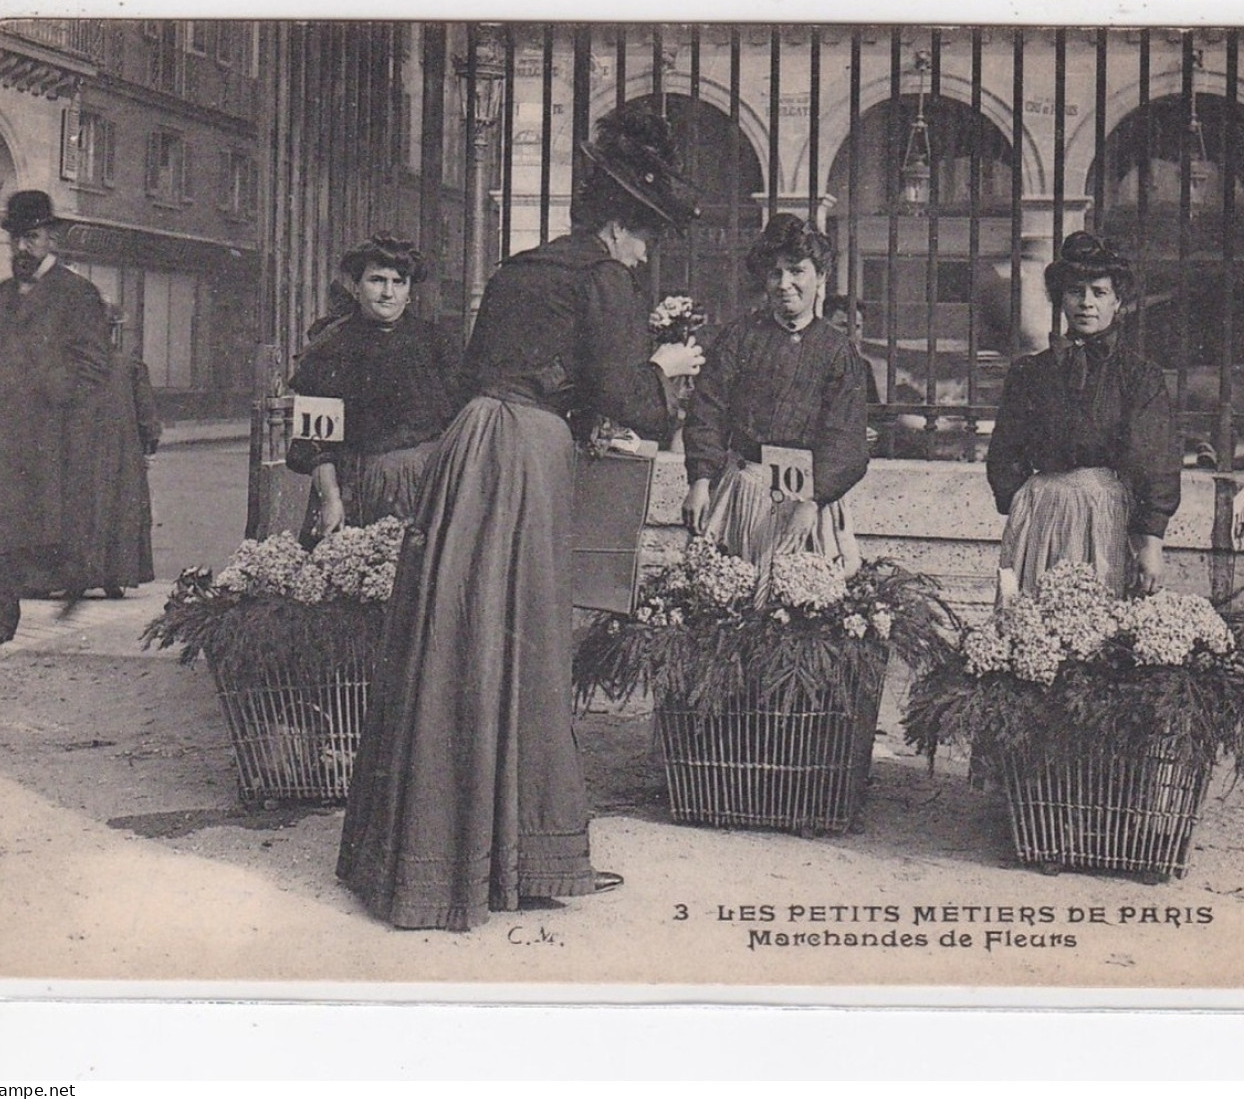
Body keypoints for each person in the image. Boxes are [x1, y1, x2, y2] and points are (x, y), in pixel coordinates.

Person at [337, 107, 706, 932]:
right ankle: (514, 853)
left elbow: (478, 370)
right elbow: (629, 399)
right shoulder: (604, 278)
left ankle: (418, 849)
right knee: (523, 641)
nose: (646, 252)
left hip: (469, 446)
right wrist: (664, 366)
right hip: (527, 455)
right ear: (620, 225)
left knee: (451, 635)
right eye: (646, 236)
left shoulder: (515, 270)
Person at [983, 230, 1180, 598]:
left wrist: (1150, 541)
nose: (1086, 303)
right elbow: (1005, 451)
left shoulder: (1139, 376)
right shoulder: (1030, 372)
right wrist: (1026, 503)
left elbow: (1155, 459)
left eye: (1099, 293)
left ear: (1117, 301)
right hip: (1040, 514)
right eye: (1076, 292)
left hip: (1106, 515)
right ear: (1061, 300)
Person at [681, 213, 870, 580]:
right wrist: (700, 481)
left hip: (809, 501)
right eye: (775, 273)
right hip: (742, 490)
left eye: (797, 271)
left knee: (801, 603)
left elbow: (845, 438)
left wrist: (814, 501)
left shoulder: (836, 351)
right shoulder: (740, 337)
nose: (785, 284)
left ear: (821, 277)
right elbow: (708, 409)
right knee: (727, 592)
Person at [0, 190, 111, 650]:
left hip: (56, 432)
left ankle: (75, 577)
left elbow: (96, 367)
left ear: (50, 238)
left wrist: (62, 400)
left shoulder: (78, 293)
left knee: (54, 523)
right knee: (1, 523)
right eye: (17, 239)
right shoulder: (2, 295)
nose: (22, 249)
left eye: (32, 238)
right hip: (7, 431)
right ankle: (0, 616)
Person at [284, 235, 462, 544]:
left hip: (424, 489)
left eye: (398, 281)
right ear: (356, 285)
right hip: (355, 488)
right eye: (376, 280)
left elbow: (458, 425)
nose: (387, 293)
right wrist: (331, 499)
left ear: (409, 291)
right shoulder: (331, 345)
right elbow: (316, 440)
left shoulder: (435, 344)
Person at [87, 306, 158, 598]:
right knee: (119, 509)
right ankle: (115, 576)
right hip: (121, 453)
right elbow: (147, 415)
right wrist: (149, 445)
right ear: (113, 331)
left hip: (80, 453)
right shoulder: (129, 367)